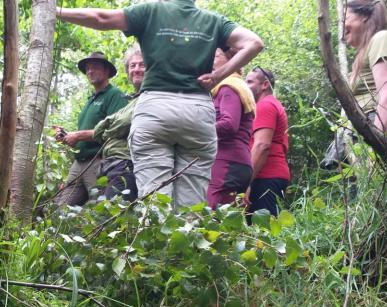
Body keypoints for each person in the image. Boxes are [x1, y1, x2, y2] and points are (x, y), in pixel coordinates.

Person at [57, 3, 263, 209]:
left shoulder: (150, 11)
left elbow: (101, 18)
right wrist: (219, 75)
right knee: (190, 206)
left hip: (156, 108)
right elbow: (254, 43)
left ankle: (155, 230)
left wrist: (57, 12)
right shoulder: (214, 21)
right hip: (197, 111)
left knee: (154, 201)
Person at [53, 52, 128, 206]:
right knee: (62, 208)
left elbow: (115, 130)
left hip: (98, 161)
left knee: (100, 208)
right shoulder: (90, 100)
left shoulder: (115, 95)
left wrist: (78, 136)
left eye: (95, 67)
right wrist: (67, 136)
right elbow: (82, 136)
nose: (90, 72)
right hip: (78, 163)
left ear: (107, 71)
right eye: (87, 69)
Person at [92, 44, 145, 202]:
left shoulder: (151, 94)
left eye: (142, 65)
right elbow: (112, 123)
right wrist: (107, 124)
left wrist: (106, 130)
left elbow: (123, 123)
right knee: (105, 213)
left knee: (115, 217)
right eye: (132, 65)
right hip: (111, 165)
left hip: (126, 163)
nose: (136, 69)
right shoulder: (131, 100)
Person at [206, 49, 255, 208]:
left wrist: (198, 129)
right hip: (235, 162)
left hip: (228, 163)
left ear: (232, 59)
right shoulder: (233, 85)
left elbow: (229, 125)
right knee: (228, 223)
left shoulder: (229, 86)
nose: (210, 60)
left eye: (216, 56)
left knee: (212, 217)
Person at [344, 0, 387, 134]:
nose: (341, 26)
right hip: (359, 128)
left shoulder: (382, 38)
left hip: (373, 122)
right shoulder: (363, 54)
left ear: (364, 16)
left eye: (346, 18)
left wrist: (377, 141)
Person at [244, 67, 290, 218]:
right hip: (270, 176)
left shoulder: (265, 105)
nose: (245, 85)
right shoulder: (273, 104)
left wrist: (246, 183)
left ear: (264, 85)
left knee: (263, 233)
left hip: (265, 178)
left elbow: (262, 145)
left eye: (249, 81)